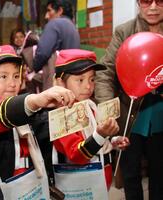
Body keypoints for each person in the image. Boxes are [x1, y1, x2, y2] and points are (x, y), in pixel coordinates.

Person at [0, 45, 76, 199]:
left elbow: (49, 131)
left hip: (33, 189)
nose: (13, 83)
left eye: (15, 76)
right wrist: (34, 101)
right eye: (3, 76)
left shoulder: (30, 114)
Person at [95, 1, 163, 199]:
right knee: (131, 175)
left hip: (160, 116)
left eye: (159, 1)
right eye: (145, 1)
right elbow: (106, 73)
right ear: (137, 3)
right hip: (131, 115)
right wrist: (108, 114)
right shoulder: (124, 32)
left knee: (160, 174)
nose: (152, 7)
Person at [53, 49, 129, 190]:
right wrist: (100, 135)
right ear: (61, 83)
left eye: (92, 79)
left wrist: (112, 142)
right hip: (80, 186)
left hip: (100, 181)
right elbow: (77, 155)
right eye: (80, 80)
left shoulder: (90, 105)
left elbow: (95, 138)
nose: (88, 86)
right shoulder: (61, 114)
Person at [33, 0, 80, 73]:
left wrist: (34, 67)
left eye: (49, 11)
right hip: (71, 74)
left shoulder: (54, 23)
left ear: (60, 10)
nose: (46, 16)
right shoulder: (72, 27)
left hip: (57, 75)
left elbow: (42, 53)